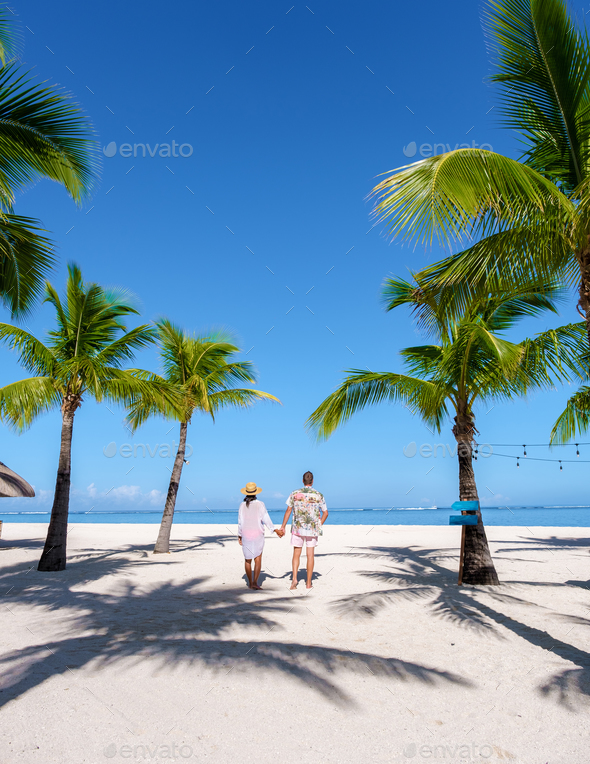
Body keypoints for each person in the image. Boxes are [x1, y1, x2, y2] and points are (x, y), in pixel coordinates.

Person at [280, 471, 328, 590]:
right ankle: (308, 583)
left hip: (297, 528)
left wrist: (283, 526)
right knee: (310, 556)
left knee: (296, 554)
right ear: (312, 481)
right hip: (312, 529)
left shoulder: (295, 493)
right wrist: (318, 525)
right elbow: (326, 513)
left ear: (302, 481)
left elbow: (288, 510)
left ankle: (294, 580)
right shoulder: (318, 495)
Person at [238, 481, 284, 589]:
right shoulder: (260, 504)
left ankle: (250, 583)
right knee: (258, 558)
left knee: (247, 559)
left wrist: (239, 535)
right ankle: (255, 583)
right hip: (257, 534)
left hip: (246, 534)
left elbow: (240, 521)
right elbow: (266, 519)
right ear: (255, 493)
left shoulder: (242, 505)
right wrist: (275, 530)